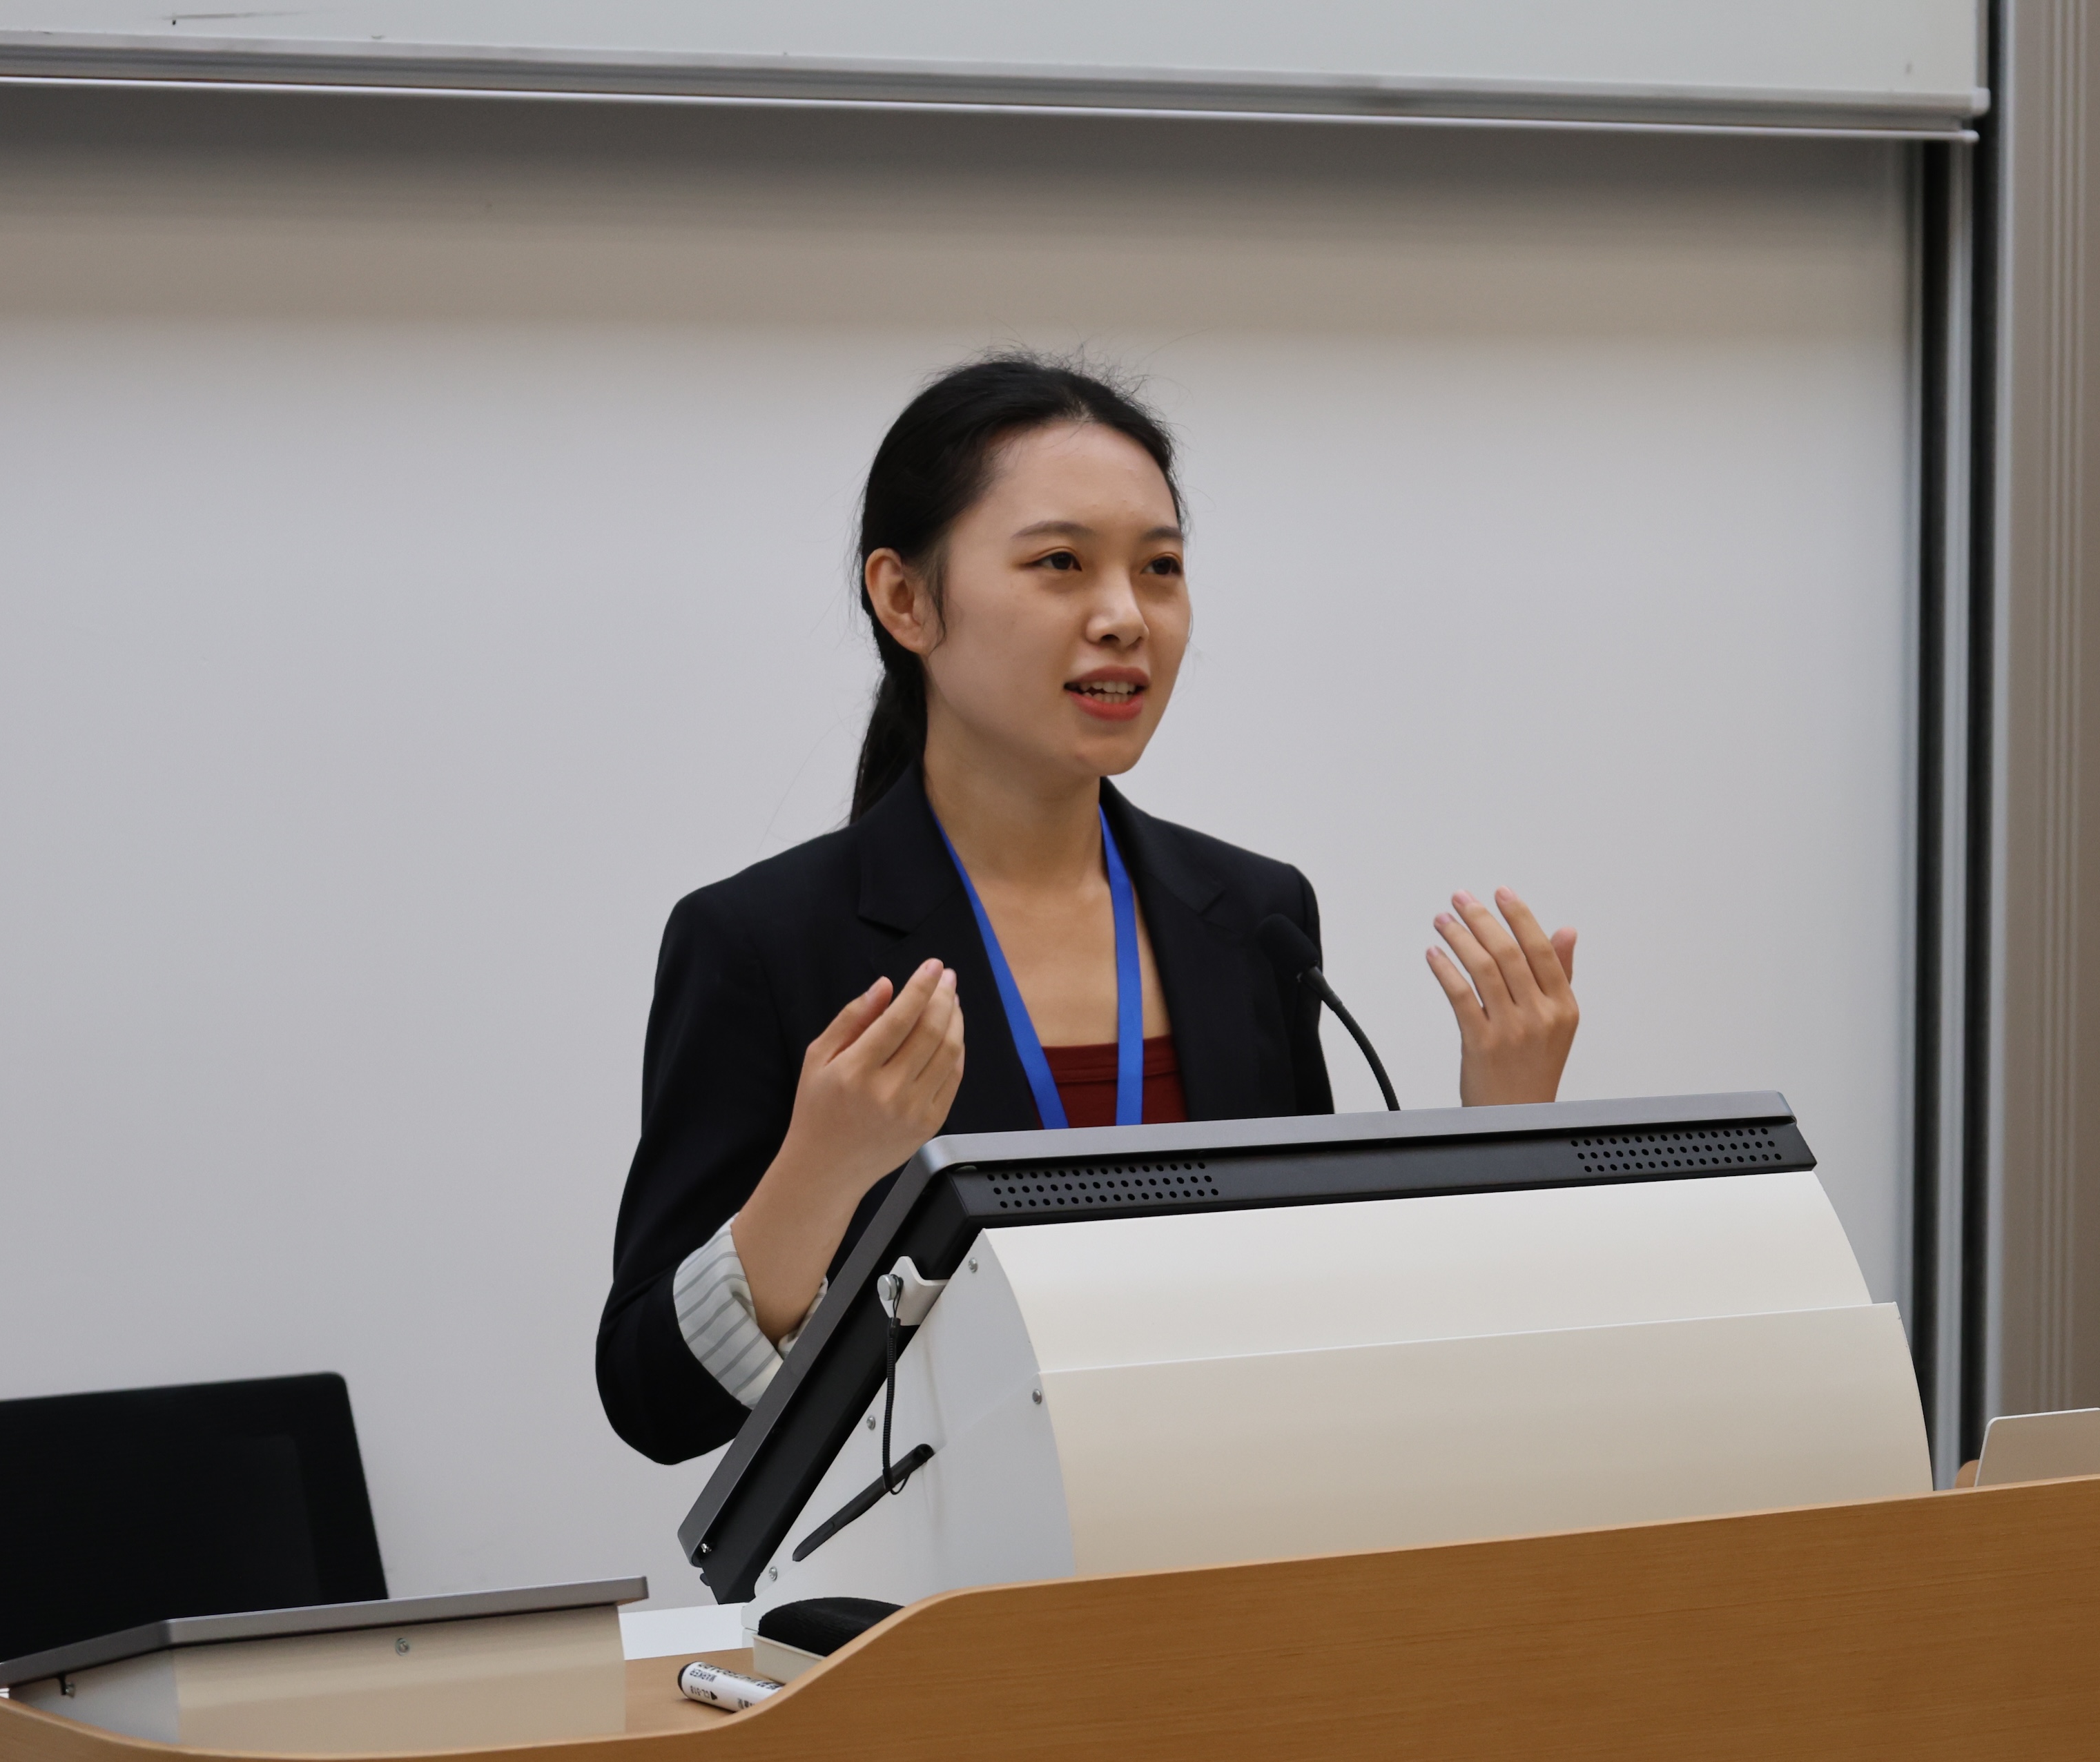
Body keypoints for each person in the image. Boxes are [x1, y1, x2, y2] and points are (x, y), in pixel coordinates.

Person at [597, 355, 1582, 1463]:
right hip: (950, 1558)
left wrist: (1508, 1130)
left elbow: (1319, 1300)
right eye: (1060, 563)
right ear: (906, 599)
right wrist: (819, 1173)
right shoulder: (765, 942)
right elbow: (651, 1401)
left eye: (1160, 569)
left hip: (1232, 1528)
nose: (1125, 617)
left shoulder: (1253, 918)